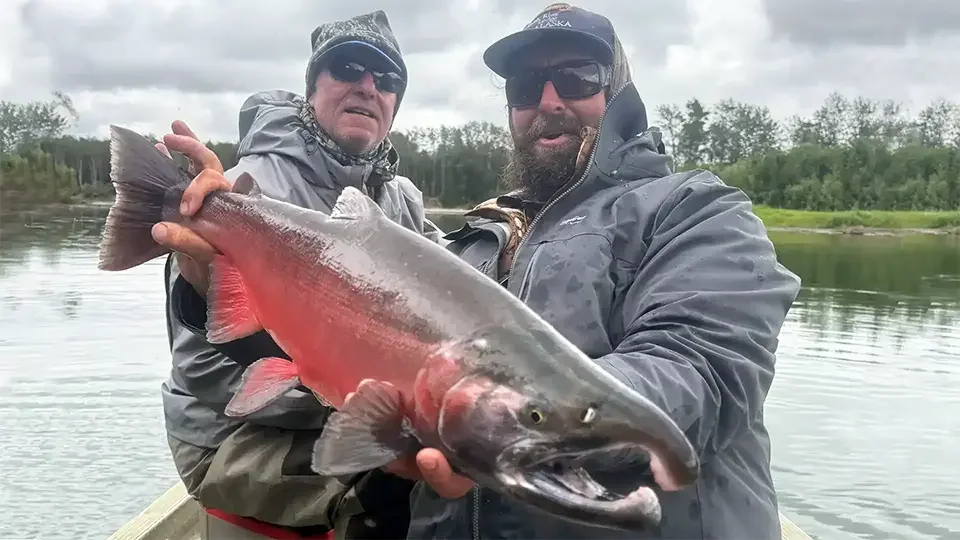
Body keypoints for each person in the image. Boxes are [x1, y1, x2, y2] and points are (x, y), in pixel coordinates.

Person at [401, 3, 802, 539]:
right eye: (525, 86)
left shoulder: (694, 210)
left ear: (618, 95)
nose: (548, 100)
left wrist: (497, 419)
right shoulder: (473, 241)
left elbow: (699, 372)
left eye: (575, 78)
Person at [151, 10, 452, 539]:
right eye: (348, 69)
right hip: (230, 437)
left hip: (320, 419)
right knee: (405, 483)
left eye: (386, 80)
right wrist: (346, 390)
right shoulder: (241, 191)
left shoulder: (400, 202)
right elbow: (203, 370)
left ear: (396, 103)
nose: (367, 87)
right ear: (313, 88)